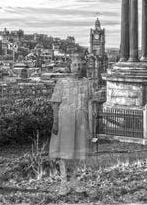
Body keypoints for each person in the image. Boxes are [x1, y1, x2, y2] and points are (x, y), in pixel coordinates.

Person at [49, 55, 94, 195]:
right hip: (65, 122)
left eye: (81, 65)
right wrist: (55, 122)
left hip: (81, 122)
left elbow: (91, 104)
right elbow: (55, 103)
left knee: (77, 154)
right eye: (76, 65)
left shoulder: (87, 83)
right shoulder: (62, 82)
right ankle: (63, 184)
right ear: (70, 66)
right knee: (64, 153)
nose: (78, 68)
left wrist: (91, 126)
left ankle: (74, 182)